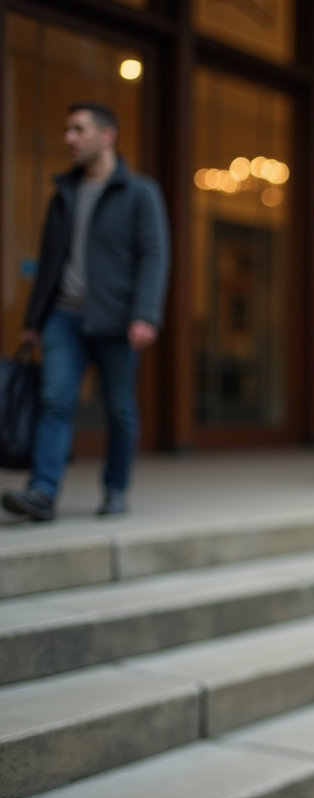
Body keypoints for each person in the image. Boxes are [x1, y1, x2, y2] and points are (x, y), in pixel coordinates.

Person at [1, 102, 169, 523]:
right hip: (64, 317)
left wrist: (145, 313)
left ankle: (114, 488)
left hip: (117, 319)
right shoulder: (64, 193)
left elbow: (153, 255)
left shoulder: (140, 192)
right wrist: (32, 320)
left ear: (106, 135)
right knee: (55, 400)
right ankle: (43, 491)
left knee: (118, 407)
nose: (69, 139)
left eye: (78, 130)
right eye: (66, 130)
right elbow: (50, 260)